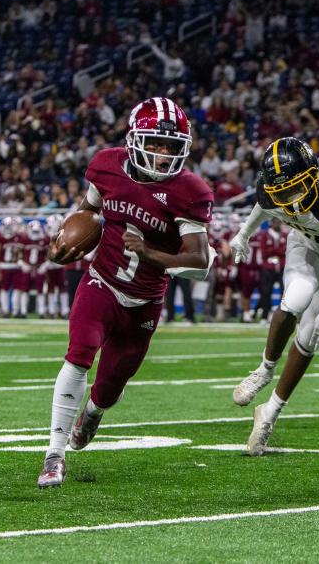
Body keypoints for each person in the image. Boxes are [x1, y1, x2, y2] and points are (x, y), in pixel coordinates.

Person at [37, 97, 214, 488]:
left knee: (109, 386)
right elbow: (90, 210)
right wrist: (69, 239)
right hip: (101, 282)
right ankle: (54, 453)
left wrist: (147, 251)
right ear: (135, 139)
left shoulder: (189, 190)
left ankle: (94, 414)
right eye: (155, 143)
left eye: (171, 146)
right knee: (79, 355)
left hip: (145, 300)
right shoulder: (106, 165)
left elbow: (198, 257)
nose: (163, 154)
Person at [229, 137, 319, 455]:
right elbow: (263, 206)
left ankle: (269, 413)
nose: (290, 200)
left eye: (296, 188)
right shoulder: (270, 189)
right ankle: (264, 369)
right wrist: (243, 233)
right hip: (304, 248)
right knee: (295, 300)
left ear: (314, 174)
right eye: (282, 191)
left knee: (307, 339)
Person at [253, 218, 286, 322]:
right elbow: (264, 253)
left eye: (279, 222)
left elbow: (286, 251)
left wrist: (272, 250)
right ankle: (264, 316)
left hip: (281, 267)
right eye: (276, 222)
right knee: (266, 292)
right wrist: (278, 251)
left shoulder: (285, 235)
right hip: (268, 267)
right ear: (271, 223)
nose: (278, 224)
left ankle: (283, 316)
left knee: (284, 293)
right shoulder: (264, 235)